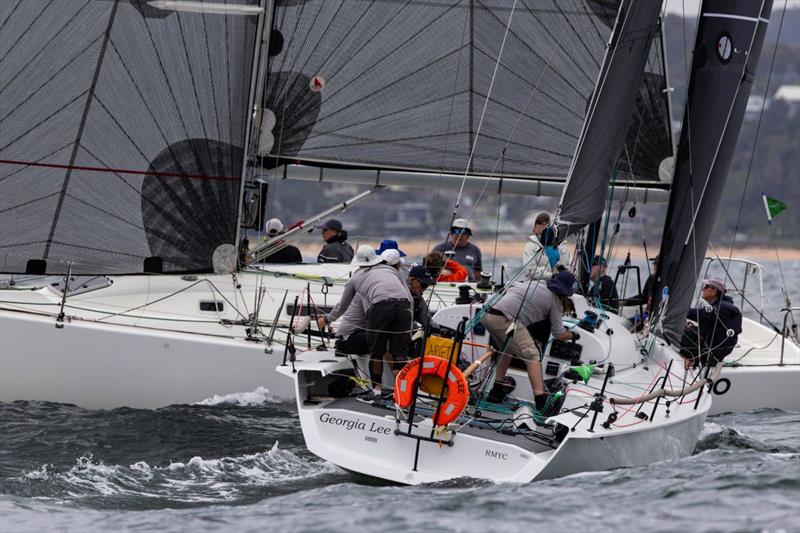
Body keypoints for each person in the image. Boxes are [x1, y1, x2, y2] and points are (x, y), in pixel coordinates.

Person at [318, 245, 412, 397]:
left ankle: (376, 390)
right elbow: (409, 297)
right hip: (404, 307)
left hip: (381, 307)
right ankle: (403, 392)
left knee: (377, 351)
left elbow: (342, 306)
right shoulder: (391, 270)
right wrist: (409, 325)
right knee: (399, 355)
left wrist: (326, 319)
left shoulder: (356, 277)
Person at [480, 271, 580, 413]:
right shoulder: (556, 301)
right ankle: (541, 403)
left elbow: (513, 287)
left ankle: (495, 392)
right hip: (505, 320)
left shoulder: (536, 283)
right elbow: (559, 334)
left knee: (507, 350)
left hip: (487, 315)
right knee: (532, 356)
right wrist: (574, 335)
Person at [681, 277, 742, 368]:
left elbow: (701, 314)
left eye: (706, 287)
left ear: (714, 291)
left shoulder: (723, 307)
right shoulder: (722, 305)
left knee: (677, 333)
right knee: (686, 330)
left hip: (709, 355)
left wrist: (680, 310)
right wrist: (691, 328)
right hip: (710, 349)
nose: (703, 289)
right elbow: (711, 326)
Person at [522, 213, 571, 279]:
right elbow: (530, 269)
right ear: (534, 228)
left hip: (561, 282)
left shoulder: (563, 247)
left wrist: (563, 270)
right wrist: (551, 275)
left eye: (547, 222)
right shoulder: (530, 246)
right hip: (538, 283)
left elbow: (572, 267)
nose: (544, 225)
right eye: (540, 223)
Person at [408, 264, 437, 330]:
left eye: (427, 286)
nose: (424, 289)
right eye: (423, 285)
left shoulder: (419, 300)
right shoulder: (399, 294)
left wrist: (442, 331)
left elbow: (428, 322)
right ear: (412, 280)